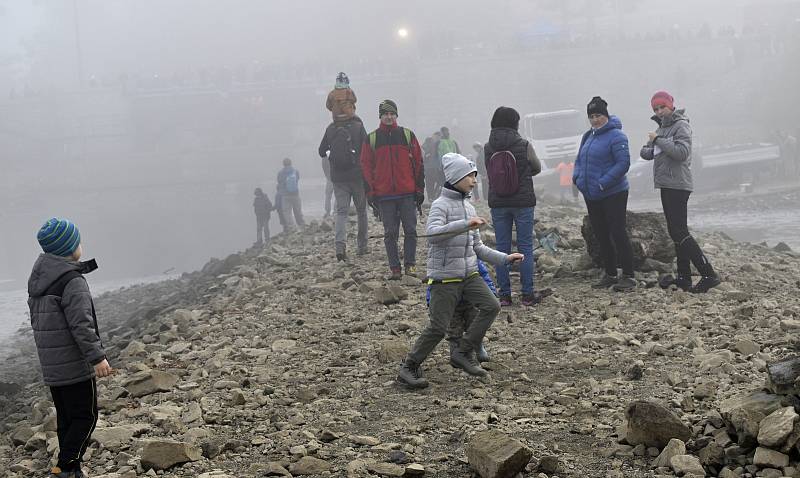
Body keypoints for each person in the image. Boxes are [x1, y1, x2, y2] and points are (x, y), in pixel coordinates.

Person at [396, 153, 523, 389]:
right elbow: (433, 236)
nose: (474, 181)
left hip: (470, 275)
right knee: (438, 327)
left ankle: (463, 351)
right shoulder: (439, 205)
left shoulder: (467, 205)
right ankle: (409, 366)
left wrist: (506, 259)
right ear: (455, 177)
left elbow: (478, 247)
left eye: (474, 176)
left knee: (492, 305)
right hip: (445, 279)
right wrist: (465, 224)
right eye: (469, 176)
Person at [28, 218, 113, 478]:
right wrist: (97, 357)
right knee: (86, 418)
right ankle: (65, 467)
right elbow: (81, 325)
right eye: (77, 241)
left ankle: (70, 469)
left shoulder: (40, 280)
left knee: (67, 420)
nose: (81, 245)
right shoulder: (72, 281)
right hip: (74, 366)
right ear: (69, 248)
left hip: (53, 367)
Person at [641, 91, 721, 293]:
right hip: (666, 184)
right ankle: (684, 277)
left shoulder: (681, 125)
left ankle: (708, 273)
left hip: (679, 185)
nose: (659, 111)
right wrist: (651, 145)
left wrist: (658, 140)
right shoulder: (661, 127)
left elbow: (682, 153)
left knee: (679, 231)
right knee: (675, 231)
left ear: (671, 105)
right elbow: (646, 153)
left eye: (662, 107)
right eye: (656, 109)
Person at [573, 96, 636, 292]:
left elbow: (623, 164)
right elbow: (579, 160)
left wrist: (603, 183)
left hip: (613, 193)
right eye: (591, 116)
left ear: (606, 115)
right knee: (601, 234)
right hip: (591, 194)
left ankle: (628, 275)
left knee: (617, 232)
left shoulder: (617, 136)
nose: (595, 119)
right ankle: (609, 273)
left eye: (598, 115)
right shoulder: (588, 136)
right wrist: (577, 179)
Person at [484, 106, 542, 306]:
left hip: (498, 202)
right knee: (525, 246)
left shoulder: (487, 147)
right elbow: (537, 167)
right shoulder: (524, 144)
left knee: (501, 248)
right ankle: (527, 294)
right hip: (523, 201)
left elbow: (489, 173)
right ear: (515, 124)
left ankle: (504, 295)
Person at [360, 99, 425, 279]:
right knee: (390, 233)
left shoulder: (407, 135)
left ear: (396, 115)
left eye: (392, 114)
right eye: (385, 114)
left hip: (407, 193)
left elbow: (419, 162)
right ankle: (395, 268)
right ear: (380, 116)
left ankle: (410, 265)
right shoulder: (371, 139)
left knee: (411, 230)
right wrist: (370, 193)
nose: (389, 117)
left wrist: (419, 189)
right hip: (384, 195)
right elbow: (365, 167)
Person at [319, 115, 369, 261]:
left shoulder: (330, 128)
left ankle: (340, 246)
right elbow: (367, 148)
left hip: (338, 178)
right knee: (361, 211)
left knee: (341, 213)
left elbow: (321, 151)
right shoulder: (358, 127)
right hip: (357, 176)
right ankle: (362, 246)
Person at [276, 158, 305, 232]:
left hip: (285, 195)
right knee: (298, 210)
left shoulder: (280, 173)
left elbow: (279, 182)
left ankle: (292, 227)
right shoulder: (295, 171)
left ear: (283, 164)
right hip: (295, 194)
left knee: (287, 212)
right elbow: (297, 180)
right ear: (291, 163)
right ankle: (301, 225)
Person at [422, 131, 444, 202]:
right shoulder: (430, 142)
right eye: (437, 136)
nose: (438, 138)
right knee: (431, 183)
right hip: (430, 167)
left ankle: (433, 196)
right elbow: (424, 149)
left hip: (436, 167)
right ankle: (431, 197)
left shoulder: (439, 144)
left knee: (438, 182)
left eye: (439, 136)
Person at [320, 154, 334, 218]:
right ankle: (336, 211)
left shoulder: (325, 157)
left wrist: (327, 176)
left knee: (328, 196)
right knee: (338, 195)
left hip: (329, 179)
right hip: (337, 178)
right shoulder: (336, 152)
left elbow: (324, 167)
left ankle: (328, 212)